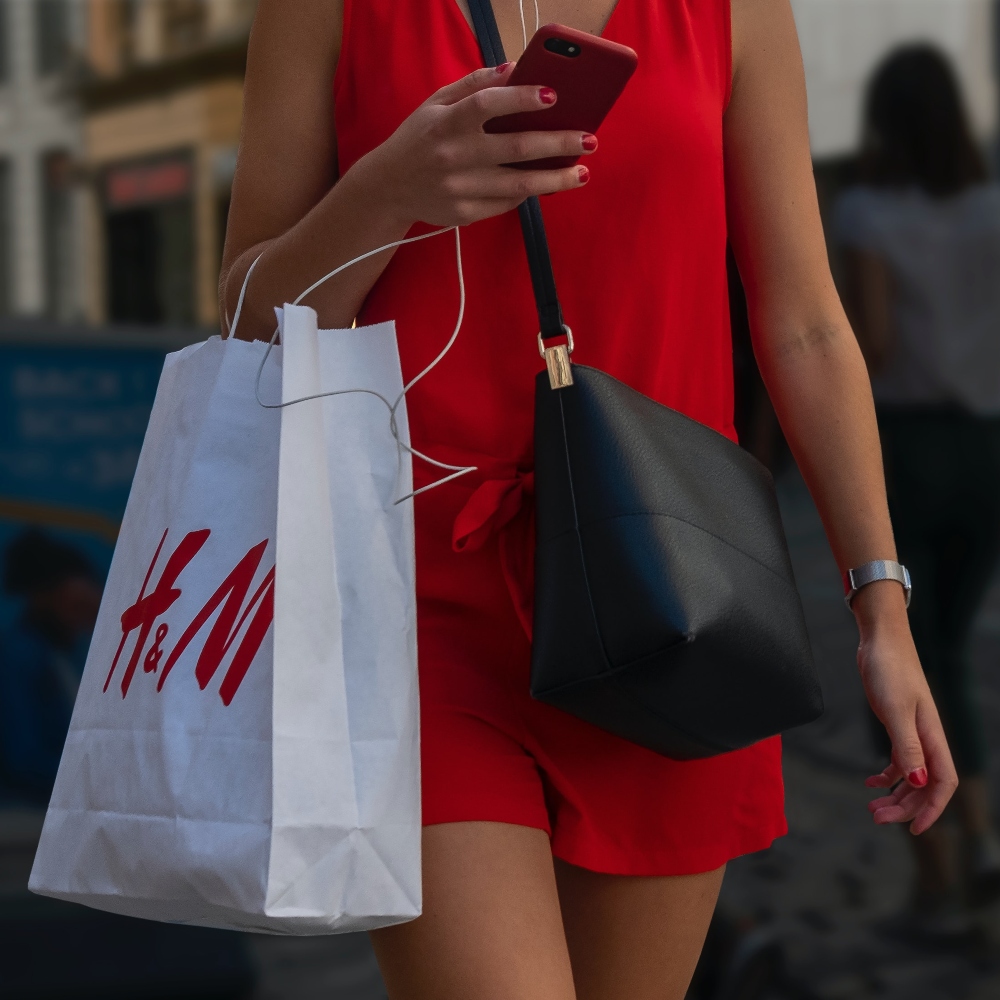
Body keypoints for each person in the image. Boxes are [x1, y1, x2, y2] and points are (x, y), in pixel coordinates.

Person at [221, 2, 957, 996]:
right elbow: (246, 318)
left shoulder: (735, 11)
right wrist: (386, 192)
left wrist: (880, 605)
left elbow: (804, 325)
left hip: (669, 598)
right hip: (412, 603)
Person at [835, 45, 1000, 929]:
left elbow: (879, 346)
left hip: (902, 446)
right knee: (950, 654)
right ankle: (977, 834)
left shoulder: (866, 211)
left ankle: (938, 874)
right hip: (986, 445)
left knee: (899, 655)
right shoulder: (992, 210)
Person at [0, 529, 101, 807]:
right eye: (78, 607)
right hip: (25, 816)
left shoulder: (62, 655)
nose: (84, 620)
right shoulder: (18, 657)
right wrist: (104, 778)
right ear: (43, 596)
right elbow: (23, 759)